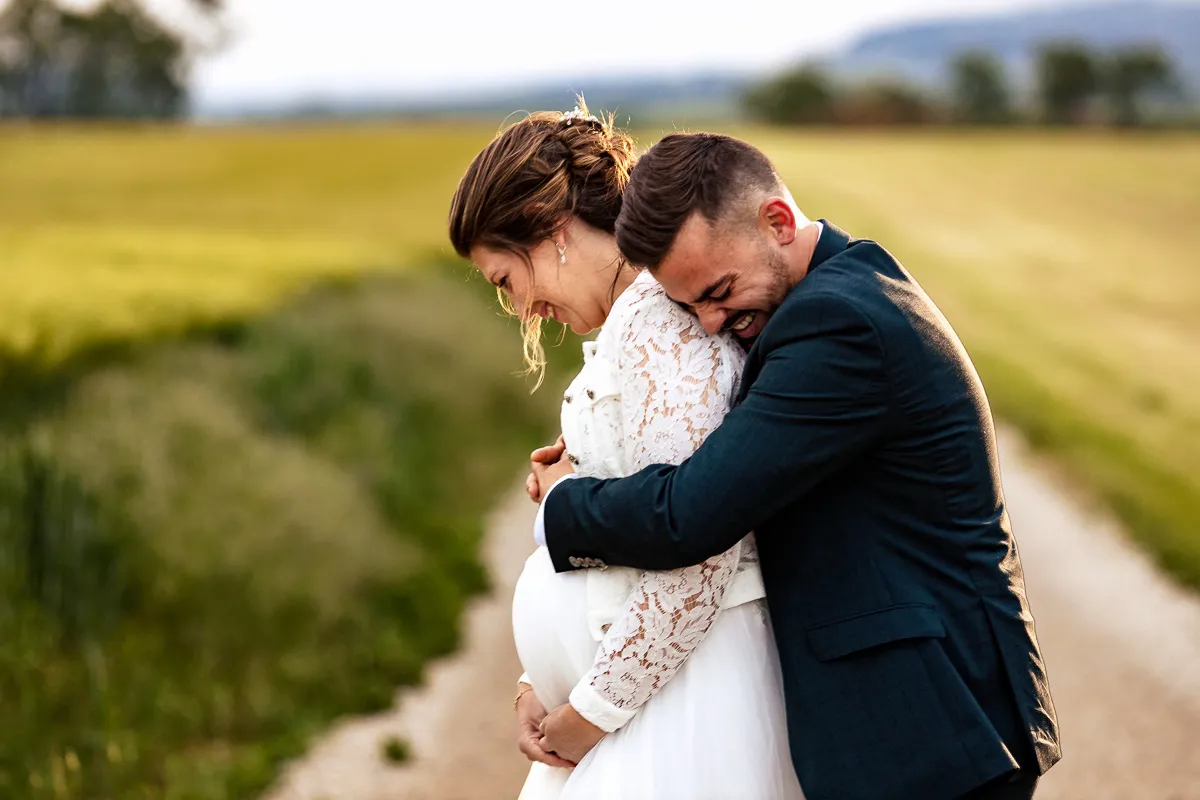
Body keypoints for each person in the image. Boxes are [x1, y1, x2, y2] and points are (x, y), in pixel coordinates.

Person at [529, 132, 1061, 800]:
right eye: (691, 306)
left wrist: (566, 501)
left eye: (719, 291)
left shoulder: (838, 325)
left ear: (777, 221)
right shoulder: (834, 295)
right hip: (920, 720)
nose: (711, 322)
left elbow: (691, 513)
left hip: (933, 722)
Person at [448, 106, 804, 799]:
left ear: (552, 231)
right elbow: (627, 543)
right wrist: (539, 679)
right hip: (650, 695)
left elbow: (698, 554)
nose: (520, 309)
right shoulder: (630, 324)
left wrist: (590, 712)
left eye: (505, 280)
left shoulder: (660, 327)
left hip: (688, 702)